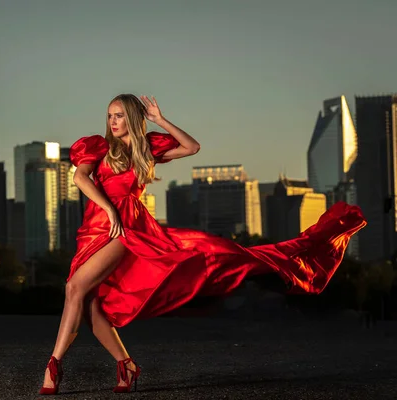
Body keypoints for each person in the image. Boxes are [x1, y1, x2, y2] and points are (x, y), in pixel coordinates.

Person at [38, 94, 366, 395]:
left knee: (74, 288)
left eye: (120, 115)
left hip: (126, 228)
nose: (112, 121)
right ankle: (127, 366)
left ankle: (54, 366)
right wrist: (107, 208)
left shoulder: (148, 148)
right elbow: (80, 178)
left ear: (134, 119)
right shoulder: (96, 146)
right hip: (95, 226)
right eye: (110, 115)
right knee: (93, 310)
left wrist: (161, 120)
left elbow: (192, 147)